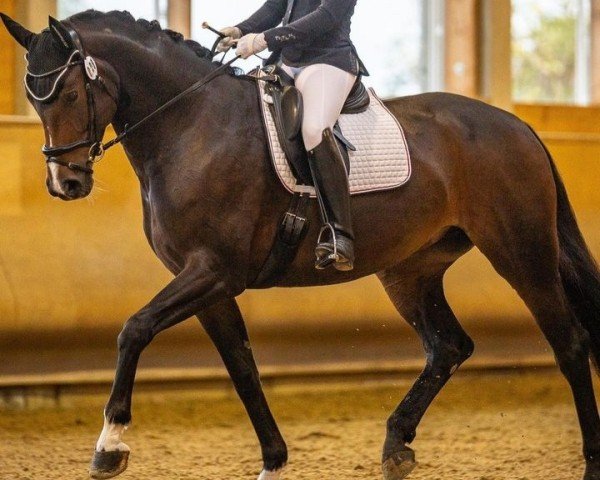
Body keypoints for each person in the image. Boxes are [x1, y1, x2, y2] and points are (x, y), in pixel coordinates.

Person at [218, 0, 367, 272]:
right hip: (286, 62)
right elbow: (277, 6)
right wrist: (241, 30)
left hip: (327, 61)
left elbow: (327, 17)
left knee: (314, 128)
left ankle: (339, 234)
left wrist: (264, 39)